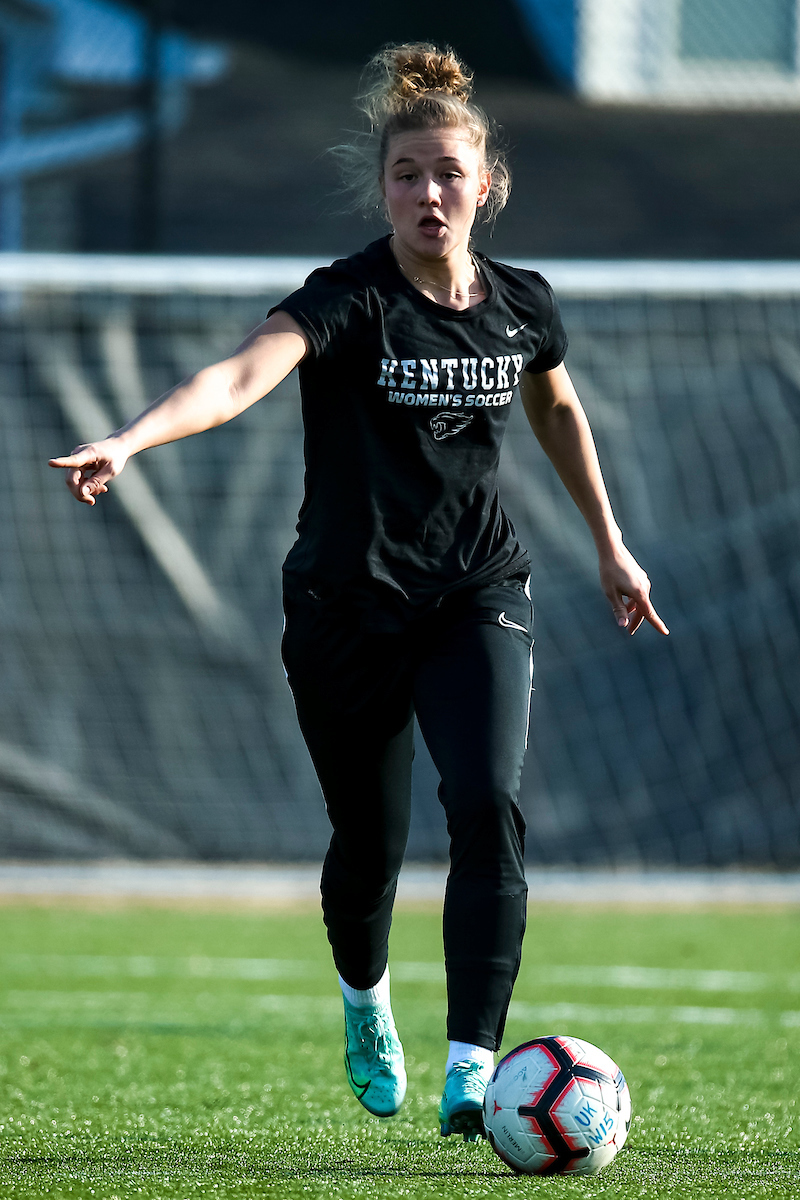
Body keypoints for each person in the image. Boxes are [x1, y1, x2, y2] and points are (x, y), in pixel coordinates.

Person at [50, 43, 668, 1142]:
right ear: (379, 187)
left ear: (484, 184)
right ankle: (363, 1000)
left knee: (484, 800)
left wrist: (611, 545)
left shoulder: (521, 304)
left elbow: (557, 409)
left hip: (476, 590)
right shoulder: (346, 300)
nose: (426, 193)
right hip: (344, 607)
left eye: (445, 172)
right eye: (404, 174)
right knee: (366, 848)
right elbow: (239, 375)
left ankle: (474, 1067)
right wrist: (133, 437)